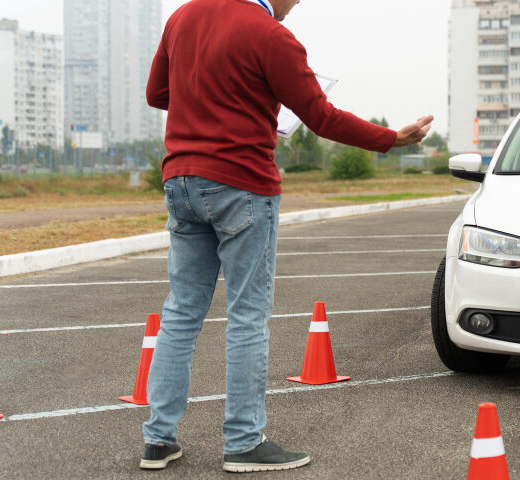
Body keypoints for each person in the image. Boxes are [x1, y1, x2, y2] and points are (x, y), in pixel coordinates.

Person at [139, 0, 432, 473]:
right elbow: (321, 117)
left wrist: (212, 99)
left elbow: (158, 94)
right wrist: (389, 138)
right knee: (247, 316)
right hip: (241, 184)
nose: (298, 3)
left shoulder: (182, 17)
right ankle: (242, 442)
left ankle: (158, 440)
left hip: (181, 180)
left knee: (181, 312)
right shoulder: (271, 35)